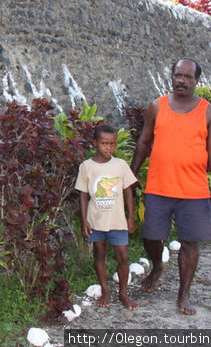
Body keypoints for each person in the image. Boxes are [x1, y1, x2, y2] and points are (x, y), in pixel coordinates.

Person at [130, 57, 211, 315]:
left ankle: (183, 293)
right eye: (178, 75)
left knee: (190, 242)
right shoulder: (157, 106)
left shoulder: (208, 111)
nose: (182, 80)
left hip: (193, 191)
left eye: (188, 77)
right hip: (159, 188)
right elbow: (144, 143)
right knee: (150, 237)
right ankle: (157, 267)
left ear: (196, 81)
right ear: (171, 76)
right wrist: (132, 175)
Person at [76, 124, 139, 310]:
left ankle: (123, 293)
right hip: (96, 221)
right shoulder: (86, 167)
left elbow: (128, 191)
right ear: (95, 143)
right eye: (104, 143)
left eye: (112, 144)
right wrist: (84, 221)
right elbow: (83, 195)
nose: (108, 148)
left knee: (123, 256)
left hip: (118, 221)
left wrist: (131, 217)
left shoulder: (120, 165)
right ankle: (105, 290)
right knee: (100, 253)